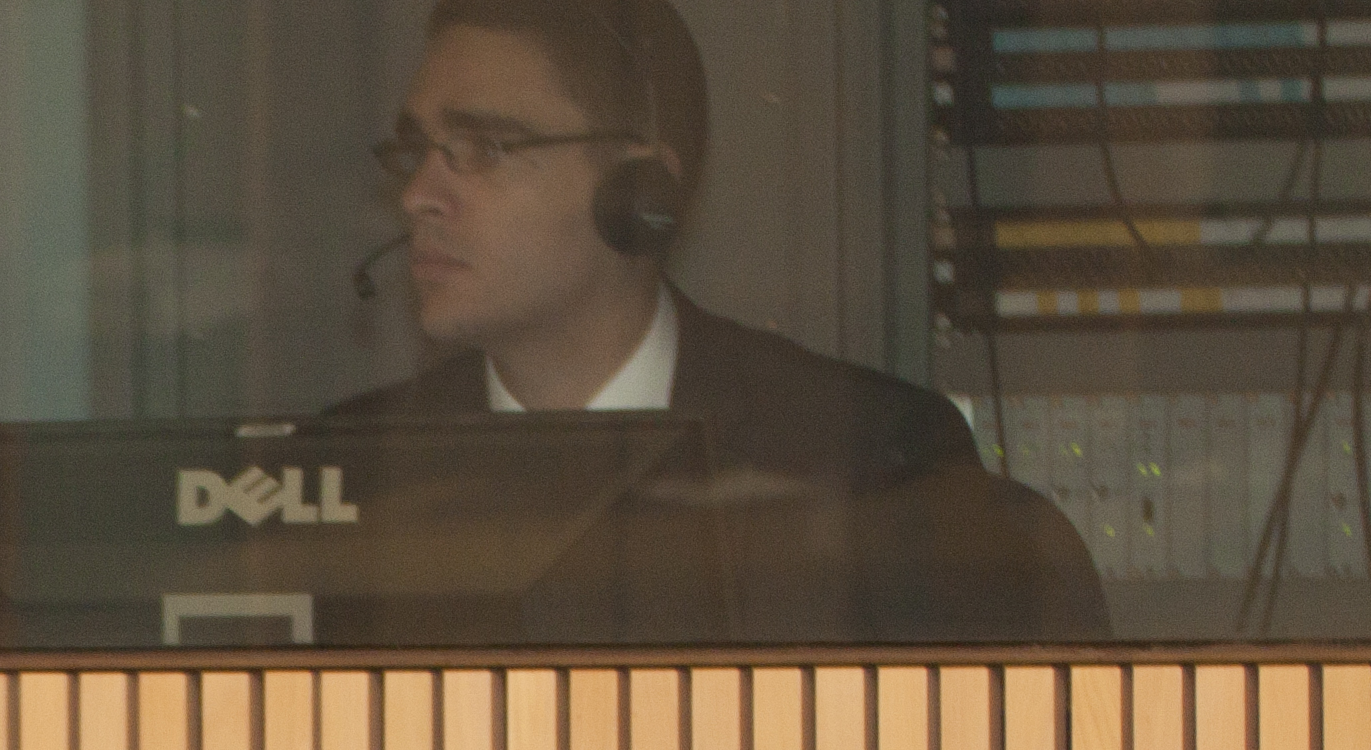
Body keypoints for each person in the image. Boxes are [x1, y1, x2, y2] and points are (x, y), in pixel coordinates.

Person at [330, 0, 1104, 644]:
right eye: (415, 151)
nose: (419, 195)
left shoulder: (871, 467)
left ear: (641, 191)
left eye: (483, 147)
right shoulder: (344, 481)